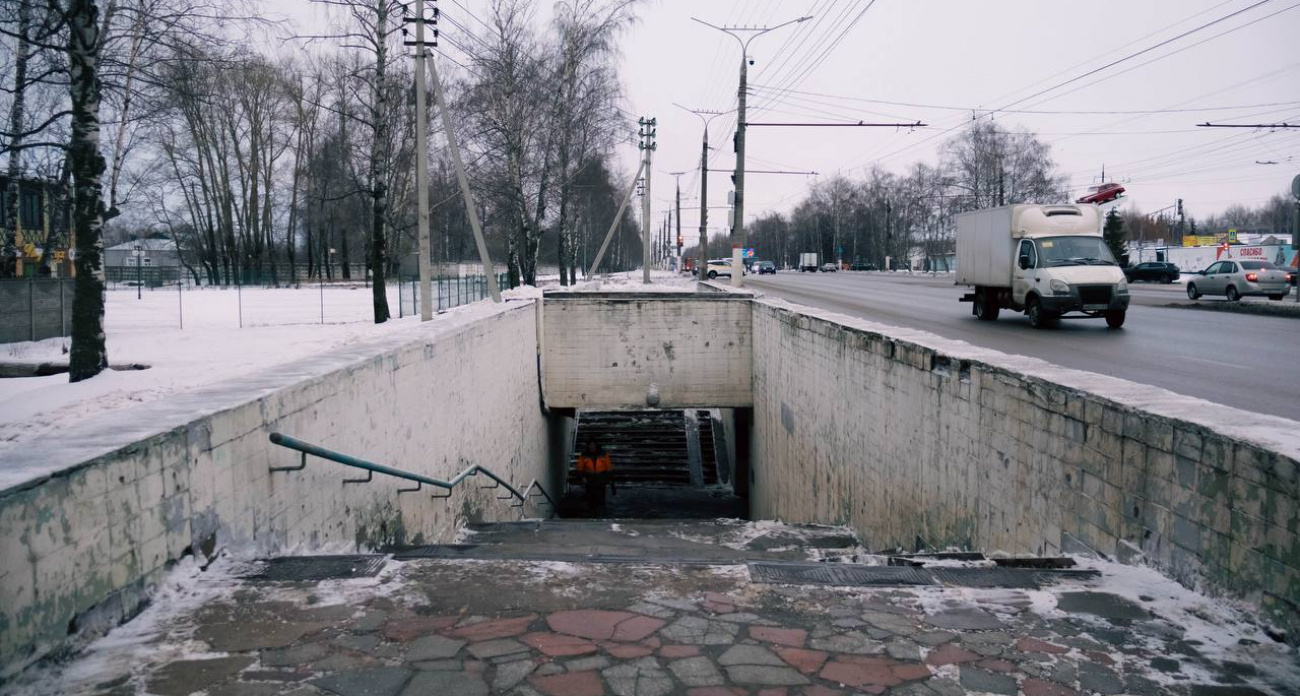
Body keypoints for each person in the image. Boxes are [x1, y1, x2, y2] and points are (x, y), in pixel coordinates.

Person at [575, 441, 613, 513]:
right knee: (590, 495)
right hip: (589, 478)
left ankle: (600, 511)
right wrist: (582, 477)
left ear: (596, 445)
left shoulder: (603, 454)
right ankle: (592, 510)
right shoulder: (584, 455)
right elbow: (580, 467)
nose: (592, 446)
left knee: (601, 496)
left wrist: (609, 478)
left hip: (601, 478)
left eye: (593, 445)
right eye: (590, 445)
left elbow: (608, 466)